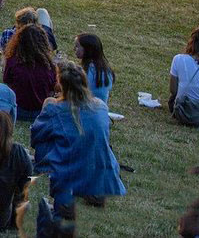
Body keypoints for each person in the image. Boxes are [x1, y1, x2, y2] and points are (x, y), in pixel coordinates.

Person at [29, 63, 126, 229]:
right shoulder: (101, 106)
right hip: (104, 169)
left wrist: (47, 105)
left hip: (70, 169)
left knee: (49, 140)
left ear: (61, 85)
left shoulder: (55, 109)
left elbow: (36, 137)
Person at [4, 20, 59, 122]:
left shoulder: (12, 60)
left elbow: (7, 81)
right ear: (44, 42)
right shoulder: (49, 65)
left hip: (18, 110)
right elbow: (52, 88)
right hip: (41, 110)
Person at [75, 32, 114, 107]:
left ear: (87, 49)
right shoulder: (106, 69)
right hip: (101, 110)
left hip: (85, 110)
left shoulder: (88, 71)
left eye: (77, 46)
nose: (74, 49)